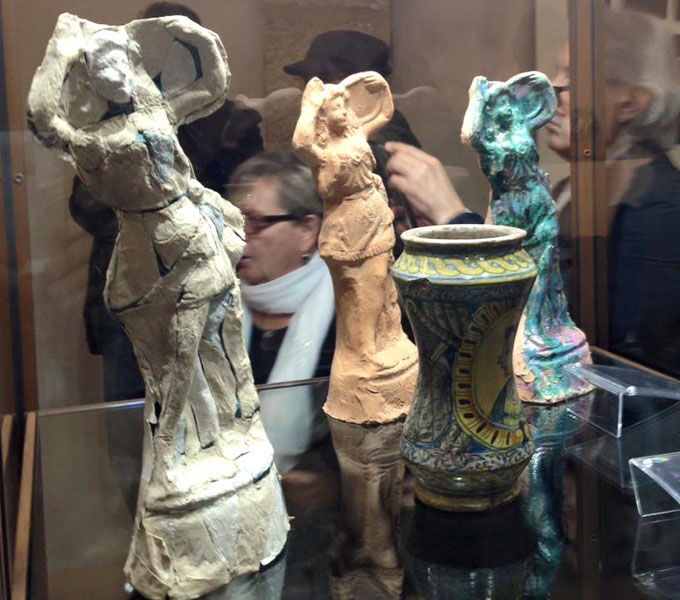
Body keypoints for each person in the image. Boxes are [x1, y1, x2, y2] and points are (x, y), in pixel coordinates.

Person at [386, 9, 680, 387]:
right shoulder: (569, 189)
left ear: (630, 102)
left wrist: (455, 222)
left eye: (573, 79)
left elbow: (579, 336)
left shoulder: (669, 210)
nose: (553, 91)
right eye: (557, 72)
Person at [70, 1, 264, 403]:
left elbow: (246, 214)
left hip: (204, 295)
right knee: (129, 418)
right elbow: (85, 206)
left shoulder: (233, 124)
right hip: (131, 295)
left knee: (214, 412)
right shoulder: (112, 121)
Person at [228, 150, 335, 472]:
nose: (237, 235)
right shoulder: (214, 308)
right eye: (231, 221)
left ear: (307, 231)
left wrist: (322, 475)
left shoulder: (348, 314)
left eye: (255, 222)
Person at [285, 30, 423, 253]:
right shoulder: (364, 129)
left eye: (317, 81)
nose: (306, 91)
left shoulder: (376, 138)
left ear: (343, 84)